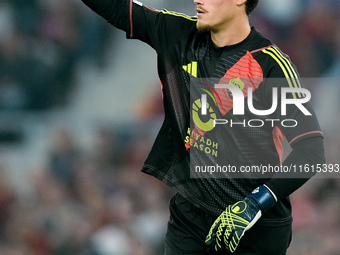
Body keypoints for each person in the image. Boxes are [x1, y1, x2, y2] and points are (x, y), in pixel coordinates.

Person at [81, 0, 325, 254]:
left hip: (254, 225)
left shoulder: (272, 65)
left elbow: (311, 151)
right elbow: (115, 7)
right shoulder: (176, 33)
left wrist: (255, 203)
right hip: (189, 218)